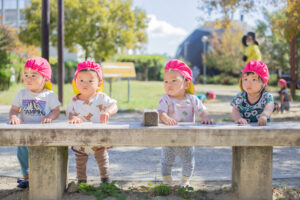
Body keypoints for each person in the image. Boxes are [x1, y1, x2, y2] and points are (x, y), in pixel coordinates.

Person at [157, 59, 214, 186]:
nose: (169, 84)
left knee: (188, 161)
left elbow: (202, 110)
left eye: (174, 81)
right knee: (166, 161)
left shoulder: (192, 99)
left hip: (187, 138)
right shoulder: (165, 99)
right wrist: (166, 118)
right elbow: (161, 112)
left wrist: (206, 117)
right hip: (169, 138)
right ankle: (167, 181)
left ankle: (185, 181)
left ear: (186, 84)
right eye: (166, 81)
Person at [9, 57, 61, 188]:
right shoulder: (22, 93)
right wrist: (14, 117)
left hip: (43, 132)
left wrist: (50, 116)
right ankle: (26, 177)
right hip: (26, 132)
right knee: (22, 152)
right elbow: (14, 109)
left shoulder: (49, 95)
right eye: (26, 75)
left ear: (44, 79)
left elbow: (56, 110)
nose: (28, 78)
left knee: (44, 153)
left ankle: (44, 176)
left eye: (33, 75)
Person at [66, 60, 118, 184]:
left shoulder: (101, 97)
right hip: (80, 138)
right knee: (80, 161)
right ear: (76, 81)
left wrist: (107, 112)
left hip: (99, 137)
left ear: (99, 83)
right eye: (81, 80)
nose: (85, 84)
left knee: (102, 159)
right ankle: (82, 181)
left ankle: (105, 180)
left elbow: (114, 105)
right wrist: (73, 118)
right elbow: (69, 113)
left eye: (90, 81)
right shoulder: (74, 100)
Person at [231, 60, 274, 125]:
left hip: (262, 128)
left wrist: (264, 115)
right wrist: (238, 118)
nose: (248, 83)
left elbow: (270, 106)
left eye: (254, 79)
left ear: (263, 83)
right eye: (245, 79)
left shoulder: (266, 96)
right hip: (244, 129)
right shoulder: (240, 96)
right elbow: (235, 110)